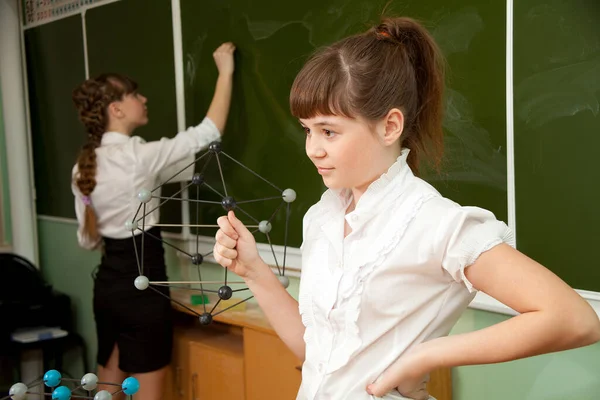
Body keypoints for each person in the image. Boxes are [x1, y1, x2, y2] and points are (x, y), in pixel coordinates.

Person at [212, 17, 600, 400]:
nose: (313, 148)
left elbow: (574, 319)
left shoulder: (435, 223)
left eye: (329, 131)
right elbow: (319, 357)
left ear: (390, 126)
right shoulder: (322, 217)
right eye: (307, 130)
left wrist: (425, 355)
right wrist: (253, 270)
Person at [71, 42, 236, 400]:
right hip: (144, 290)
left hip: (108, 289)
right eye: (134, 94)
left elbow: (87, 241)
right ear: (116, 108)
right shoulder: (139, 157)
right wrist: (225, 72)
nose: (143, 99)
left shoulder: (83, 166)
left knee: (108, 386)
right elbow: (208, 133)